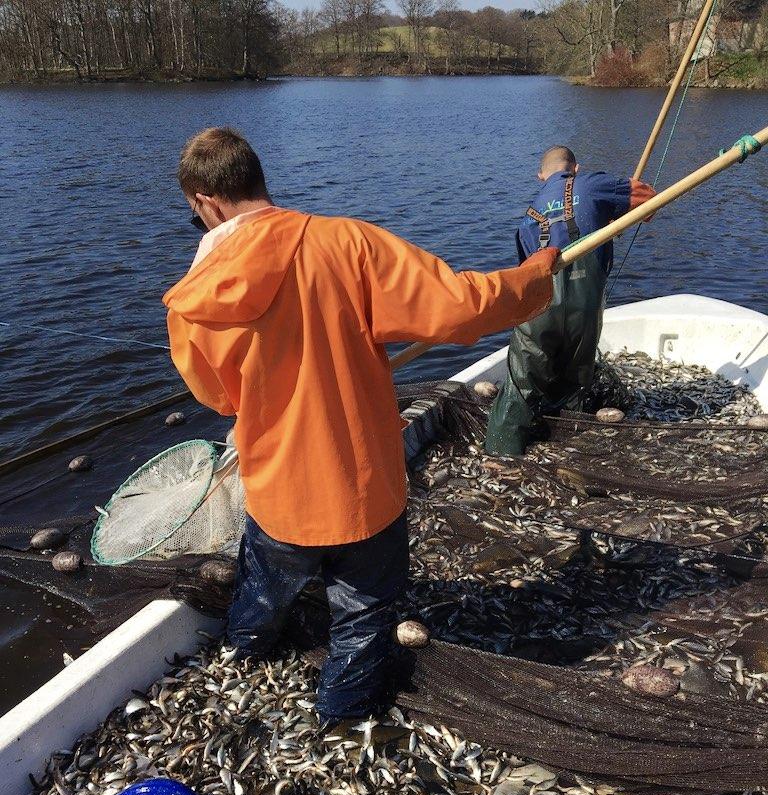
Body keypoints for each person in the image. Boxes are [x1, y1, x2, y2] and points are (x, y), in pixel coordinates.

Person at [164, 126, 560, 724]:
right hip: (361, 484)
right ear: (257, 180)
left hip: (278, 490)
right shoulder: (345, 243)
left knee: (265, 583)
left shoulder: (195, 294)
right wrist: (533, 277)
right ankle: (342, 712)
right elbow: (461, 307)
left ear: (205, 203)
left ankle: (244, 650)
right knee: (365, 609)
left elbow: (219, 396)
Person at [485, 145, 655, 456]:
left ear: (540, 177)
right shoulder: (592, 184)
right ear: (575, 168)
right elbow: (648, 199)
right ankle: (572, 445)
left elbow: (525, 271)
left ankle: (501, 453)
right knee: (578, 374)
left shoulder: (528, 218)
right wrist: (618, 210)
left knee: (524, 379)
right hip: (585, 303)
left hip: (538, 304)